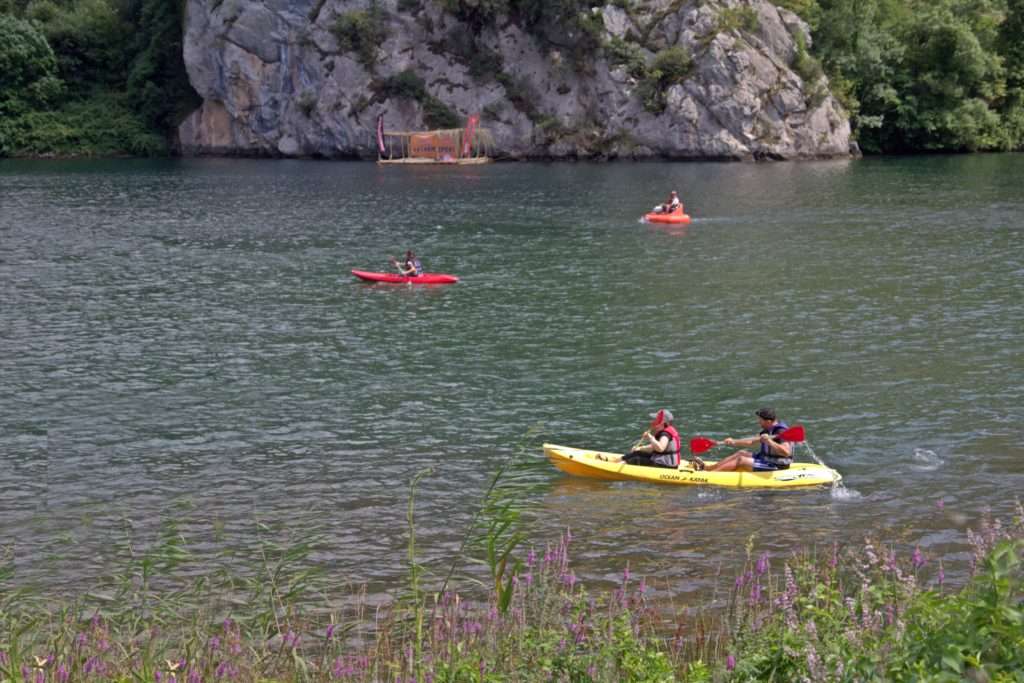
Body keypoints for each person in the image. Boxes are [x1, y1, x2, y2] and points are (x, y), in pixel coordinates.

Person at [694, 407, 793, 472]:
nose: (758, 422)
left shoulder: (781, 432)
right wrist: (733, 441)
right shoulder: (767, 430)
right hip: (765, 458)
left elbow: (786, 452)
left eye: (760, 420)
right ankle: (707, 468)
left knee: (741, 460)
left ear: (768, 421)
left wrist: (770, 442)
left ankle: (710, 475)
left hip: (776, 466)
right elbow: (750, 441)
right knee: (741, 453)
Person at [599, 409, 681, 468]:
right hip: (661, 460)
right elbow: (653, 448)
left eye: (656, 419)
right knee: (637, 453)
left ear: (663, 422)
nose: (654, 420)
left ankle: (613, 468)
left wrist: (650, 437)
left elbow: (660, 448)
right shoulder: (664, 431)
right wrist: (640, 448)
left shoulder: (665, 434)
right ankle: (613, 462)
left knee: (636, 459)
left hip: (667, 464)